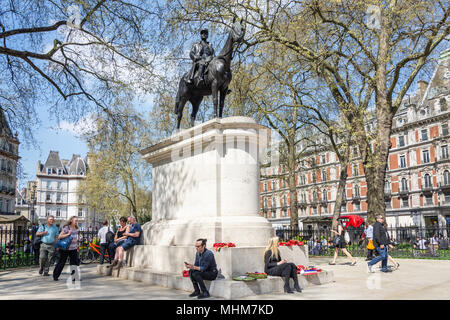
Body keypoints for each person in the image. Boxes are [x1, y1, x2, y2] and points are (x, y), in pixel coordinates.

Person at [53, 216, 80, 281]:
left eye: (77, 221)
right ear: (71, 221)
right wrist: (68, 234)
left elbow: (75, 237)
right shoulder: (66, 228)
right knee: (62, 262)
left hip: (73, 248)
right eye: (75, 220)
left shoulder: (76, 228)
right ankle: (55, 276)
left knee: (74, 263)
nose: (76, 222)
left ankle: (74, 277)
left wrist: (78, 239)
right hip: (65, 248)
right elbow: (59, 236)